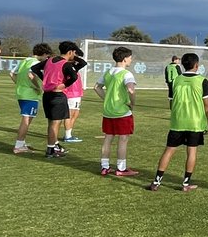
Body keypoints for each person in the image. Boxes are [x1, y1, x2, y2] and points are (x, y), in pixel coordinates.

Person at [147, 52, 208, 192]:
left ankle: (156, 182)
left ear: (182, 65)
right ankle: (186, 184)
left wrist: (176, 114)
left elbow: (171, 102)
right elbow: (207, 105)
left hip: (178, 121)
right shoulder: (202, 80)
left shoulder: (176, 80)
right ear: (196, 65)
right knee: (192, 151)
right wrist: (207, 122)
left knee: (169, 150)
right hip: (195, 122)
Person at [31, 41, 88, 158]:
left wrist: (45, 80)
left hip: (47, 95)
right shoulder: (65, 64)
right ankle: (51, 149)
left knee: (51, 122)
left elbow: (34, 68)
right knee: (55, 123)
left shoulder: (50, 60)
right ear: (70, 52)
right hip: (58, 95)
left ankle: (54, 145)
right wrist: (64, 85)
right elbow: (74, 76)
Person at [94, 46, 139, 177]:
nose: (131, 60)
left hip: (108, 111)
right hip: (122, 112)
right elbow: (131, 90)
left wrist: (106, 99)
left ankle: (105, 167)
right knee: (123, 139)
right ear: (125, 59)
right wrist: (132, 103)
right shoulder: (126, 74)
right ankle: (121, 168)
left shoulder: (108, 72)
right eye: (130, 58)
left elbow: (97, 87)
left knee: (108, 138)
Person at [11, 43, 52, 154]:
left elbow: (12, 74)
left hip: (21, 93)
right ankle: (18, 146)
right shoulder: (36, 63)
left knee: (27, 119)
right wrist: (37, 87)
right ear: (43, 54)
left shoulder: (24, 61)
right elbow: (31, 75)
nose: (46, 59)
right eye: (46, 56)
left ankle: (22, 142)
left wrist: (20, 84)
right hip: (30, 94)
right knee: (26, 119)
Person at [62, 46, 86, 142]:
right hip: (71, 93)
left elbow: (83, 63)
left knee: (75, 114)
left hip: (77, 93)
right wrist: (73, 56)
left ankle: (69, 134)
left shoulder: (74, 67)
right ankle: (67, 136)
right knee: (70, 114)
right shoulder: (66, 66)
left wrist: (74, 57)